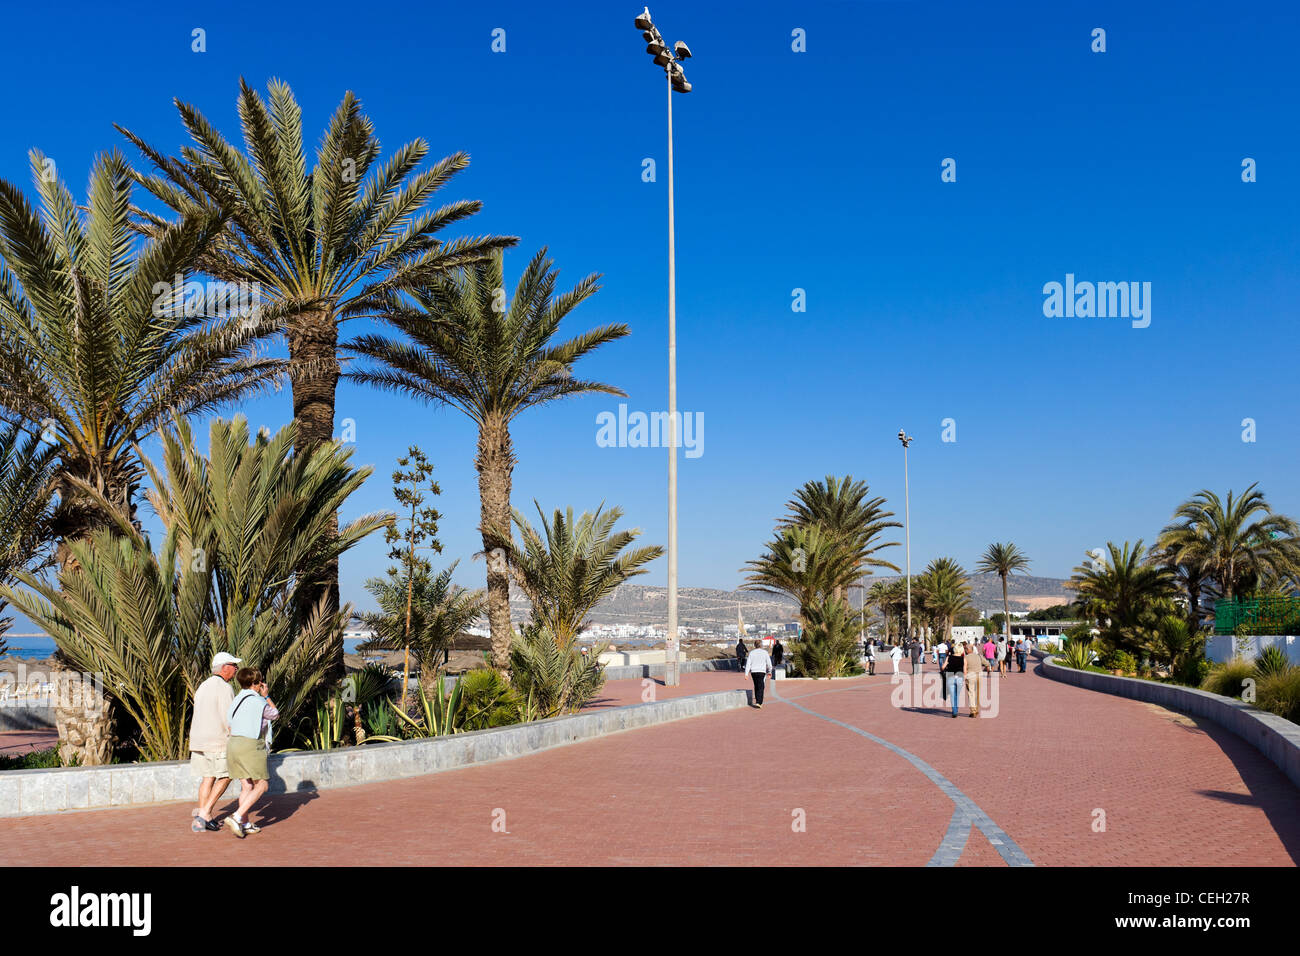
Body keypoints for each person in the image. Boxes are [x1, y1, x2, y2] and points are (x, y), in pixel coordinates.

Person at [189, 651, 241, 833]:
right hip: (217, 741)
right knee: (227, 775)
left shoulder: (203, 685)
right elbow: (230, 718)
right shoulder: (225, 688)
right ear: (224, 668)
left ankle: (206, 818)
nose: (236, 669)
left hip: (199, 740)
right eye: (234, 666)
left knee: (208, 777)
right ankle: (204, 814)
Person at [224, 667, 279, 838]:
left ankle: (245, 823)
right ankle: (237, 816)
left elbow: (230, 723)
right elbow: (275, 714)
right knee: (262, 785)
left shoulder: (236, 700)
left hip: (233, 744)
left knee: (246, 785)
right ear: (256, 683)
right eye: (259, 681)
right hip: (250, 745)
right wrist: (267, 696)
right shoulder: (258, 701)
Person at [745, 641, 773, 709]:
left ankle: (758, 701)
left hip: (754, 672)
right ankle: (759, 702)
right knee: (761, 686)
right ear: (761, 645)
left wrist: (746, 673)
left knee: (757, 685)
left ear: (755, 645)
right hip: (761, 672)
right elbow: (769, 664)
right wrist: (769, 672)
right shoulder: (765, 652)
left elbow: (748, 663)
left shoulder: (752, 653)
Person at [964, 637, 988, 717]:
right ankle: (977, 709)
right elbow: (987, 663)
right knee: (977, 693)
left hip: (970, 675)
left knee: (971, 693)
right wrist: (987, 667)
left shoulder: (966, 658)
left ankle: (973, 711)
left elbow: (963, 668)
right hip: (979, 675)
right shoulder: (979, 656)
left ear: (967, 650)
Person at [944, 640, 967, 717]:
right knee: (957, 694)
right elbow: (965, 671)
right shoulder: (963, 659)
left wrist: (945, 668)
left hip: (950, 676)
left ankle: (954, 711)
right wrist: (965, 679)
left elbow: (942, 667)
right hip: (960, 677)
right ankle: (956, 709)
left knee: (952, 695)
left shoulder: (949, 657)